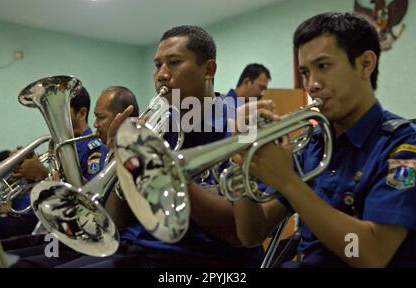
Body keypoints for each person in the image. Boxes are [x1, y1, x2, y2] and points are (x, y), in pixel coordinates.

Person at [52, 25, 264, 268]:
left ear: (208, 69)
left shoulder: (240, 128)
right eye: (157, 65)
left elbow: (238, 234)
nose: (162, 74)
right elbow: (117, 221)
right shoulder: (157, 127)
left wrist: (160, 168)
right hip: (139, 251)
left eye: (174, 62)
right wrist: (121, 162)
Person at [233, 12, 416, 268]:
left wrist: (288, 182)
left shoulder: (405, 146)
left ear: (365, 64)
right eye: (305, 72)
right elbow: (252, 235)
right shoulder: (311, 145)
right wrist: (240, 163)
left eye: (323, 66)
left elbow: (371, 253)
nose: (311, 84)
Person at [6, 86, 141, 267]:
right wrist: (40, 180)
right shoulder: (70, 147)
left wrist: (42, 175)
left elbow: (98, 207)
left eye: (100, 117)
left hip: (94, 237)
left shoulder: (96, 148)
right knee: (3, 253)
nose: (95, 124)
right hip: (69, 231)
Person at [0, 86, 107, 240]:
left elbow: (90, 199)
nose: (53, 117)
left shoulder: (94, 148)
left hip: (72, 229)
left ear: (82, 113)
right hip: (45, 219)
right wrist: (26, 173)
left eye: (61, 111)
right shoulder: (57, 145)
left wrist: (41, 173)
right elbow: (41, 191)